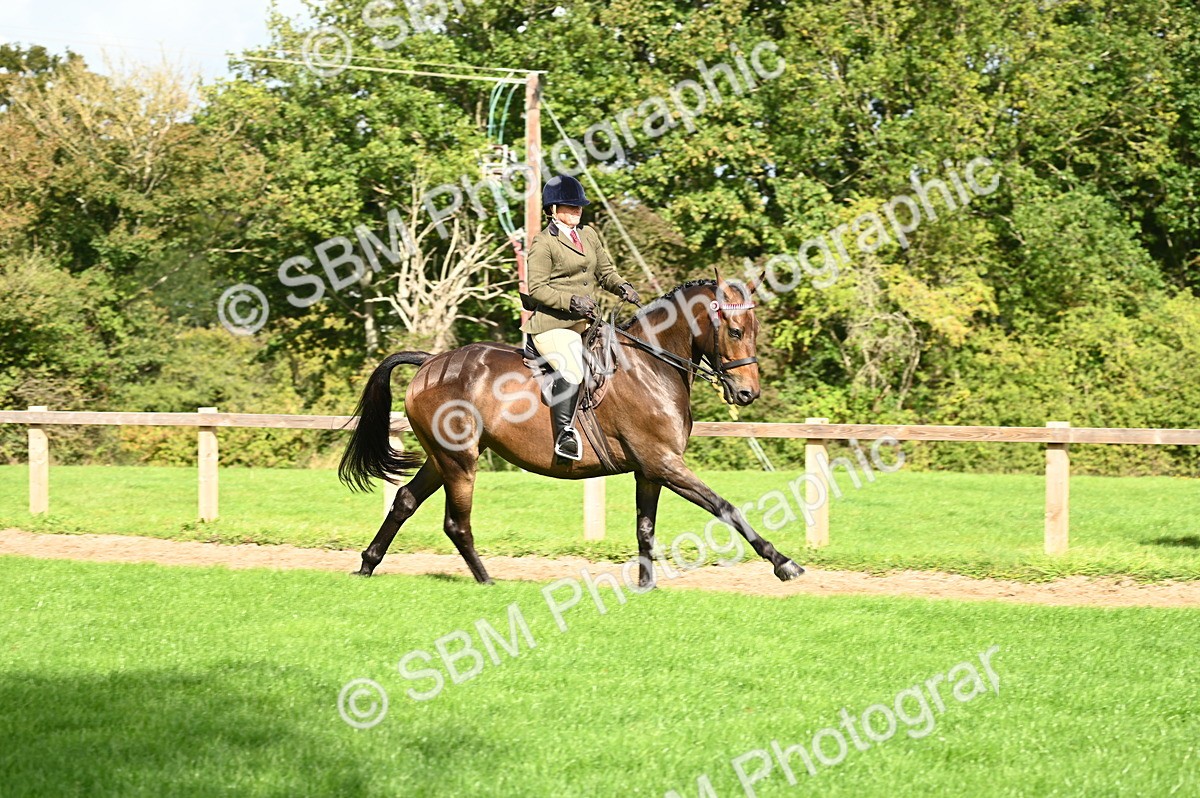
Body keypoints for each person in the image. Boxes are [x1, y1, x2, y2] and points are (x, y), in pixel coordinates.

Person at [520, 174, 641, 460]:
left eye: (578, 207)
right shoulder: (543, 243)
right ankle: (564, 437)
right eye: (569, 207)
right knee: (574, 368)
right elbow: (536, 289)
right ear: (553, 209)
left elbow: (605, 272)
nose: (576, 211)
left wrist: (622, 286)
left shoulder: (588, 235)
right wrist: (571, 301)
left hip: (588, 323)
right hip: (553, 325)